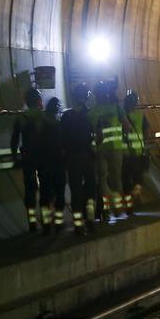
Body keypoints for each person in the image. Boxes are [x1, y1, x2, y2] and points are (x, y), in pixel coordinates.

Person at [62, 83, 97, 235]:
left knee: (76, 191)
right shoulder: (90, 114)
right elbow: (97, 137)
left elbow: (61, 139)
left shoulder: (66, 116)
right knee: (90, 190)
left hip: (72, 158)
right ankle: (90, 221)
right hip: (87, 157)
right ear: (86, 97)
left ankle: (78, 225)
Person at [90, 79, 126, 224]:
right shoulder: (116, 107)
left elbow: (90, 132)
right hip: (116, 148)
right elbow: (127, 126)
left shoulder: (93, 112)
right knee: (117, 179)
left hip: (100, 149)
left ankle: (106, 210)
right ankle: (118, 209)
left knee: (103, 180)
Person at [10, 87, 44, 232]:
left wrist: (15, 157)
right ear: (38, 101)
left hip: (27, 158)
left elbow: (14, 141)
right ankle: (47, 221)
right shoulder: (44, 117)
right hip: (43, 158)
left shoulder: (20, 118)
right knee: (46, 189)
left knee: (30, 190)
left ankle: (31, 222)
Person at [122, 90, 154, 216]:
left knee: (126, 181)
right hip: (139, 151)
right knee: (139, 178)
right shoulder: (141, 116)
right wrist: (144, 142)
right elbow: (146, 131)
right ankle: (136, 194)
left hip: (126, 153)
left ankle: (129, 206)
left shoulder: (121, 116)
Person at [39, 97, 67, 233]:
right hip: (58, 164)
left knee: (45, 195)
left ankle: (46, 224)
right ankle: (58, 223)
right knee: (59, 194)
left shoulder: (41, 125)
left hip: (44, 165)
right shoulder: (60, 125)